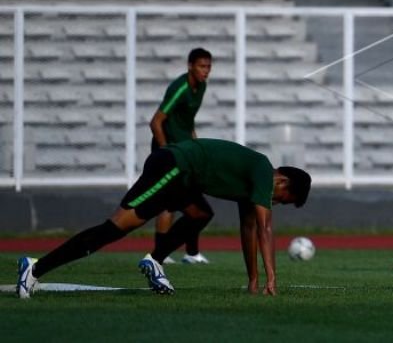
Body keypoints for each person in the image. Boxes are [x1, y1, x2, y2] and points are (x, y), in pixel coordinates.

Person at [15, 138, 311, 299]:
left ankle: (155, 260)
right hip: (172, 166)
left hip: (183, 177)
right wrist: (273, 278)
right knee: (114, 229)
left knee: (200, 213)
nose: (277, 204)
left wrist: (254, 281)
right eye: (285, 200)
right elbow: (265, 228)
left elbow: (249, 229)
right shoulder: (263, 170)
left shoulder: (254, 186)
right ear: (282, 182)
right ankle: (35, 268)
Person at [150, 47, 212, 264]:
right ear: (190, 66)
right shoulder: (180, 87)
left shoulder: (201, 87)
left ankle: (191, 253)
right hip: (170, 153)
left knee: (188, 199)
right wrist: (166, 151)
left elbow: (187, 119)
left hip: (186, 152)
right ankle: (161, 253)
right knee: (171, 202)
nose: (206, 71)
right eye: (202, 66)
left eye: (208, 67)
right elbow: (156, 121)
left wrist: (196, 145)